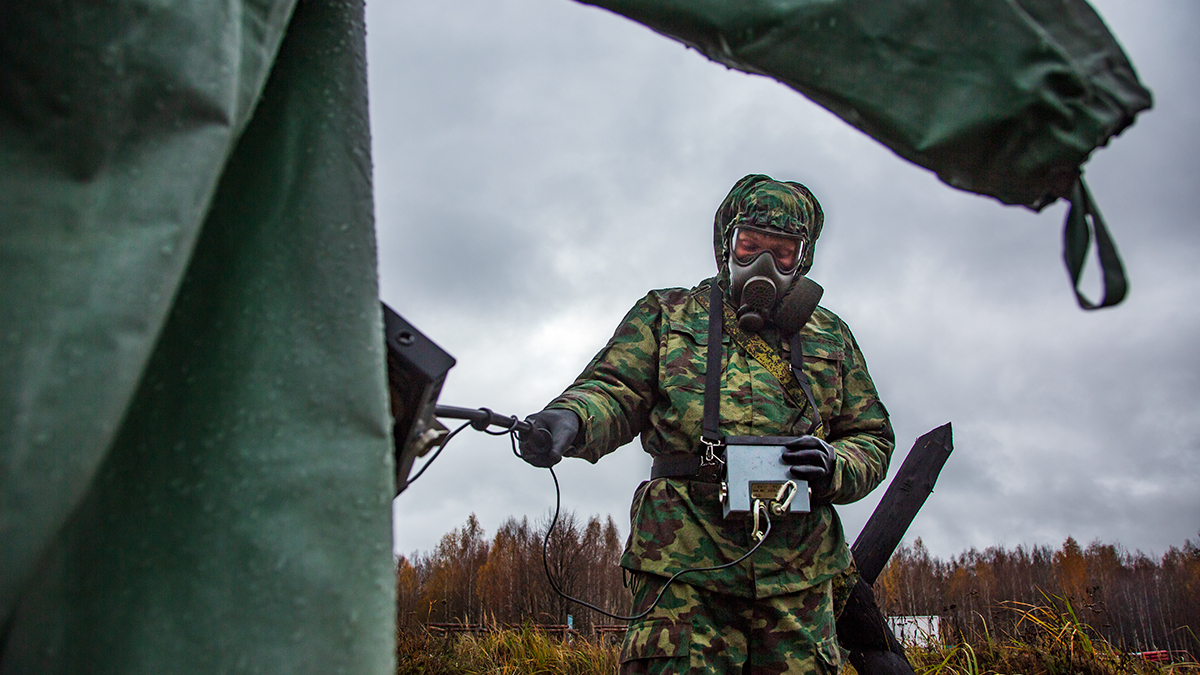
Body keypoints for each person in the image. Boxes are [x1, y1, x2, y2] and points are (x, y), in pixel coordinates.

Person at [518, 174, 894, 674]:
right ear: (726, 244)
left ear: (802, 258)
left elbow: (871, 436)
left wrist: (835, 467)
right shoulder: (668, 314)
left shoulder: (828, 334)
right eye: (750, 245)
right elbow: (614, 390)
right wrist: (569, 421)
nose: (763, 262)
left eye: (781, 252)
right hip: (683, 574)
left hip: (798, 580)